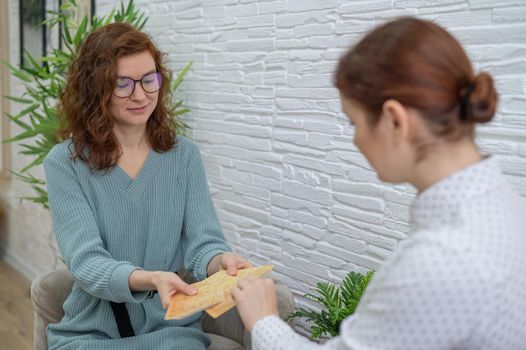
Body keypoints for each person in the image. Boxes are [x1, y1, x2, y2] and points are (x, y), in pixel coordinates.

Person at [232, 17, 526, 349]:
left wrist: (263, 320)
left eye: (353, 122)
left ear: (394, 120)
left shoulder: (440, 259)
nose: (356, 140)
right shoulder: (505, 203)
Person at [44, 23, 250, 350]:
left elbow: (203, 244)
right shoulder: (65, 163)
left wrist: (221, 260)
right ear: (95, 88)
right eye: (122, 84)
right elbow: (86, 264)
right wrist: (151, 279)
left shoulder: (183, 156)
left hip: (171, 331)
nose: (140, 95)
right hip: (91, 335)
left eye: (149, 79)